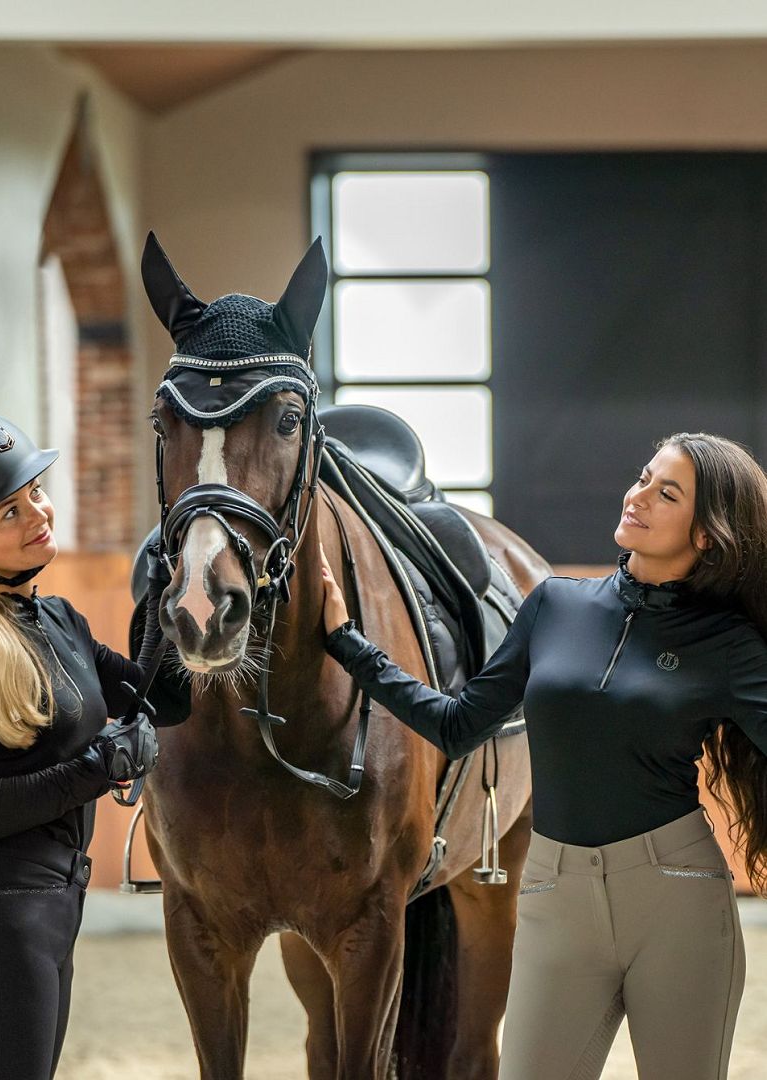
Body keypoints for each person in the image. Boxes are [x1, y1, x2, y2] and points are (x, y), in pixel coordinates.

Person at [319, 431, 767, 1080]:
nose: (637, 495)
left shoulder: (726, 645)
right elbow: (457, 724)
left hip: (673, 900)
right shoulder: (555, 605)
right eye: (642, 476)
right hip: (554, 893)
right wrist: (348, 645)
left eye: (665, 492)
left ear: (706, 536)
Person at [0, 408, 188, 1080]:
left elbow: (161, 696)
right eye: (7, 512)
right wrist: (99, 767)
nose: (37, 513)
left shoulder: (58, 619)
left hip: (49, 913)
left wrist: (171, 592)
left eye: (34, 492)